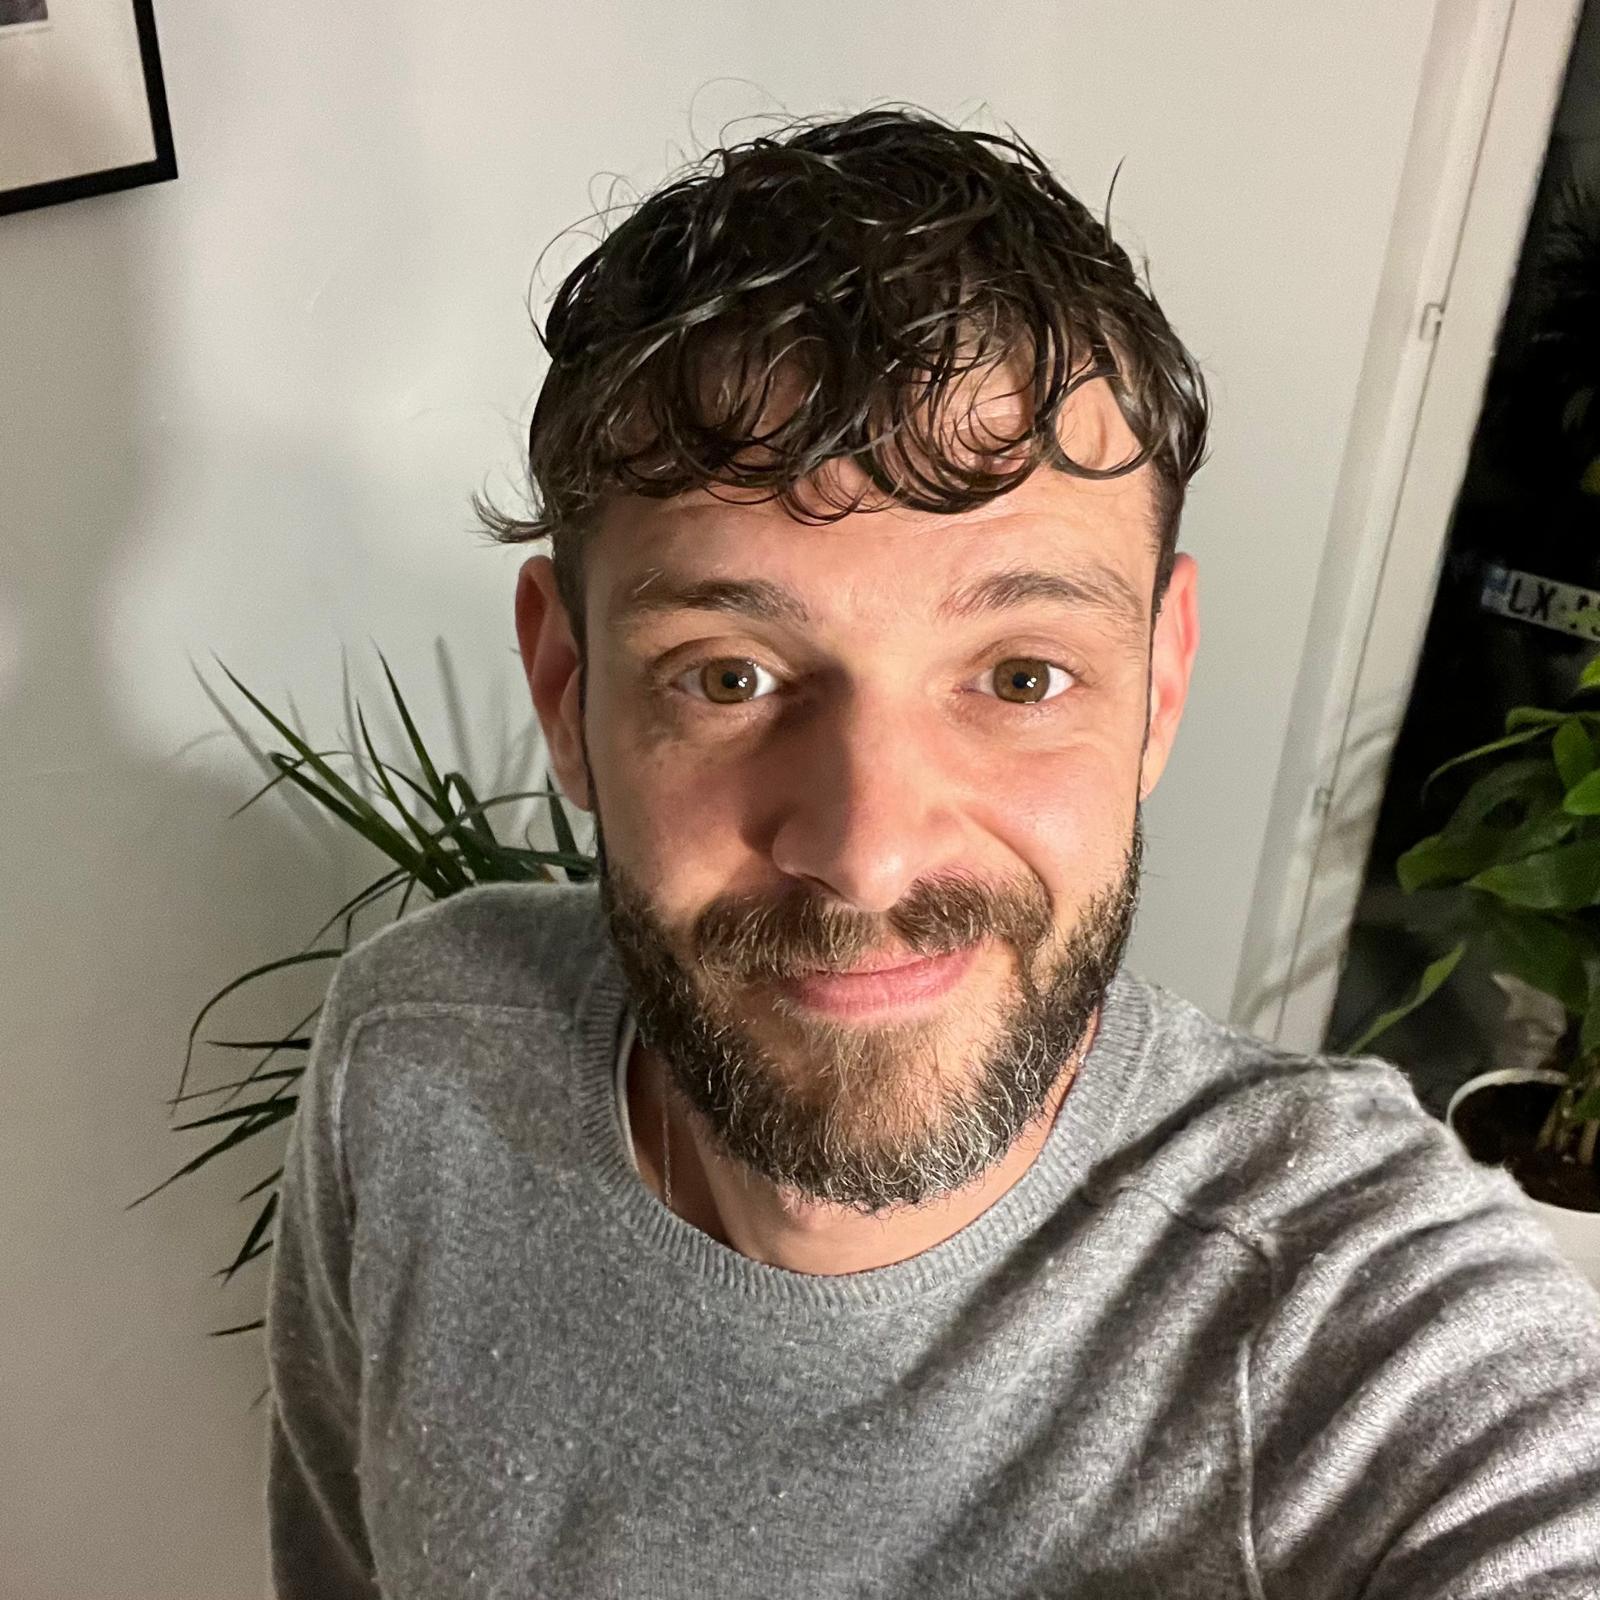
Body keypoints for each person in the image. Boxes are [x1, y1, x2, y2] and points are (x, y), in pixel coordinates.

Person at [265, 108, 1600, 1598]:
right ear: (569, 691)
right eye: (727, 676)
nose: (870, 853)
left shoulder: (1356, 1328)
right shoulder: (412, 1060)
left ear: (1157, 690)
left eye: (1022, 676)